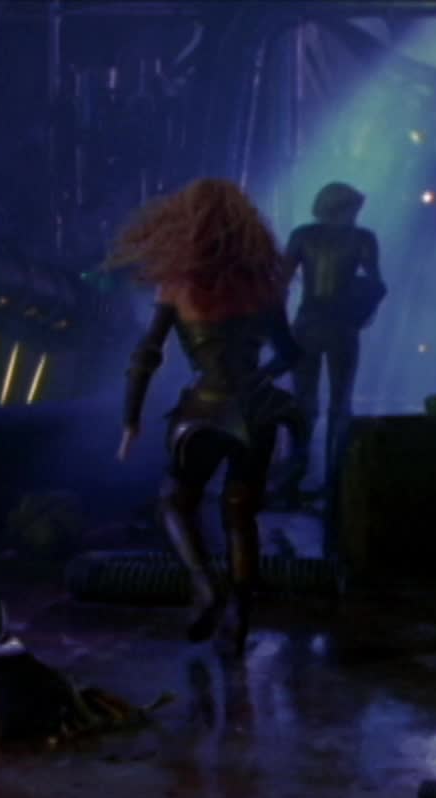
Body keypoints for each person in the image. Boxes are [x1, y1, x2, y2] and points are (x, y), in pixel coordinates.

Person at [106, 178, 302, 657]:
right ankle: (239, 619)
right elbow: (290, 353)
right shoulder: (264, 286)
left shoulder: (177, 285)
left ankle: (204, 585)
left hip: (202, 412)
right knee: (241, 515)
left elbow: (146, 355)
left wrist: (131, 421)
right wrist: (261, 379)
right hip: (257, 412)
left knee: (174, 501)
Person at [275, 181, 386, 506]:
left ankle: (300, 478)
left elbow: (280, 284)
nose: (355, 215)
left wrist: (277, 327)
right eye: (352, 209)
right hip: (339, 328)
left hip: (310, 325)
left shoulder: (303, 235)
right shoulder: (362, 238)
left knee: (308, 404)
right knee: (335, 405)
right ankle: (333, 481)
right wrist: (361, 310)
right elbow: (376, 284)